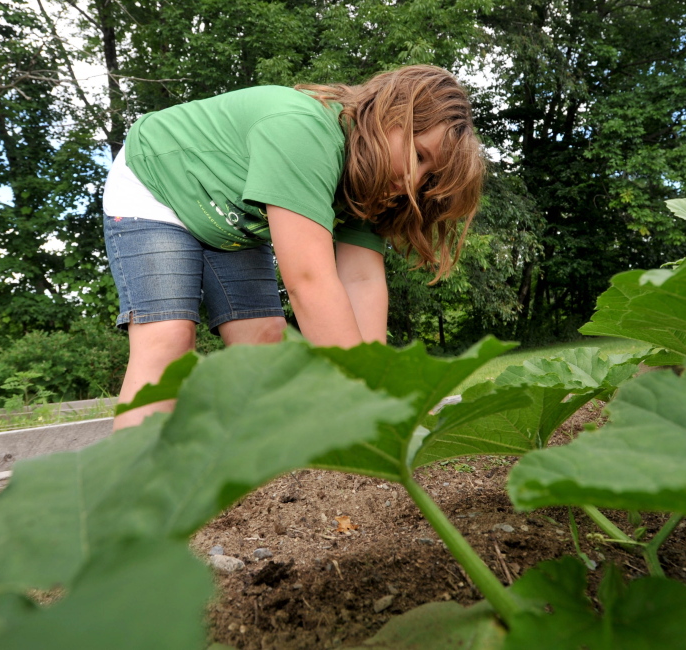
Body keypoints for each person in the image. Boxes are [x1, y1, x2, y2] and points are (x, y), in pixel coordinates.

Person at [102, 65, 485, 430]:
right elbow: (309, 282)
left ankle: (257, 476)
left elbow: (362, 280)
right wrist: (358, 402)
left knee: (265, 340)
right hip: (156, 184)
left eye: (429, 175)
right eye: (418, 155)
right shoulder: (303, 132)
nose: (413, 182)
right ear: (391, 114)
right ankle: (134, 486)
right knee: (168, 338)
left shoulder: (372, 182)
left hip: (232, 221)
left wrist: (373, 391)